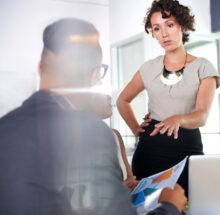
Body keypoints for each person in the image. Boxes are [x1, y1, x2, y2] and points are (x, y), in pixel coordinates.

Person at [0, 18, 187, 215]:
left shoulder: (5, 126)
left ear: (40, 67)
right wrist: (170, 206)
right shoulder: (90, 133)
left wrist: (114, 191)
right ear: (94, 75)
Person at [116, 0, 220, 195]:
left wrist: (178, 119)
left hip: (187, 150)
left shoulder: (203, 67)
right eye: (157, 28)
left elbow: (202, 116)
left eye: (169, 25)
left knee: (190, 204)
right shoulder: (148, 68)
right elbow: (122, 100)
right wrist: (135, 129)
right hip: (149, 151)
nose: (164, 33)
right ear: (153, 34)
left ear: (181, 25)